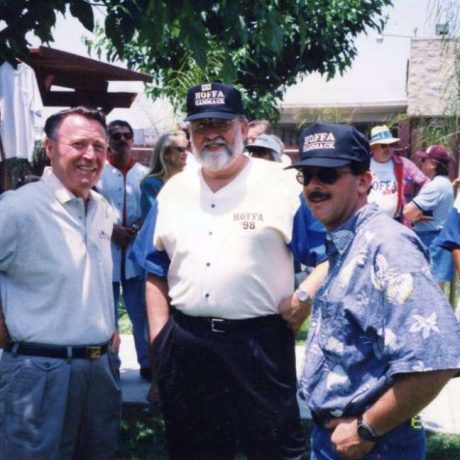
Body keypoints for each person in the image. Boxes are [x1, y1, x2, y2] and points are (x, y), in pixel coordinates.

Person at [130, 82, 328, 460]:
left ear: (242, 127)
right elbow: (154, 269)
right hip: (188, 343)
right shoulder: (173, 191)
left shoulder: (282, 185)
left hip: (259, 343)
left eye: (222, 124)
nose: (212, 135)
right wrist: (160, 341)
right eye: (201, 126)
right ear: (190, 134)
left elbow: (331, 254)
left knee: (273, 449)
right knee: (194, 450)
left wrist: (304, 296)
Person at [288, 122, 460, 460]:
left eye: (327, 175)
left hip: (376, 444)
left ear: (364, 181)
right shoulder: (349, 240)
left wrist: (367, 427)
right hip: (337, 437)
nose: (314, 186)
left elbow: (439, 358)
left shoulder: (387, 245)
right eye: (306, 176)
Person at [0, 106, 121, 458]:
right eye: (79, 144)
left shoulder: (102, 207)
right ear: (50, 149)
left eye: (99, 147)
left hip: (99, 371)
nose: (91, 155)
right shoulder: (18, 209)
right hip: (39, 371)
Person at [97, 119, 151, 380]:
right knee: (108, 314)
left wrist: (135, 230)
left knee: (139, 313)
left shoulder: (143, 174)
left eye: (125, 136)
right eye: (115, 136)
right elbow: (90, 208)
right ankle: (111, 363)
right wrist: (112, 228)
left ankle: (147, 363)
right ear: (108, 140)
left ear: (132, 140)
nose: (121, 140)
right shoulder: (99, 173)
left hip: (134, 253)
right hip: (105, 251)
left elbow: (150, 211)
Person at [403, 145, 454, 284]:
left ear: (432, 164)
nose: (422, 163)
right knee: (436, 287)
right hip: (437, 236)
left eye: (424, 160)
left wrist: (414, 215)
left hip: (432, 238)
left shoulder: (435, 186)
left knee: (432, 288)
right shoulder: (443, 183)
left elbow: (408, 212)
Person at [368, 125, 428, 224]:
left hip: (397, 222)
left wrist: (417, 204)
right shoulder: (363, 165)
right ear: (373, 147)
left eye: (391, 145)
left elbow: (427, 183)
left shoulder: (403, 164)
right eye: (383, 145)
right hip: (369, 222)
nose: (388, 149)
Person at [140, 130, 188, 218]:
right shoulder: (151, 184)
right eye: (180, 149)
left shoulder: (189, 181)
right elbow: (151, 220)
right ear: (166, 154)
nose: (186, 153)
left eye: (186, 149)